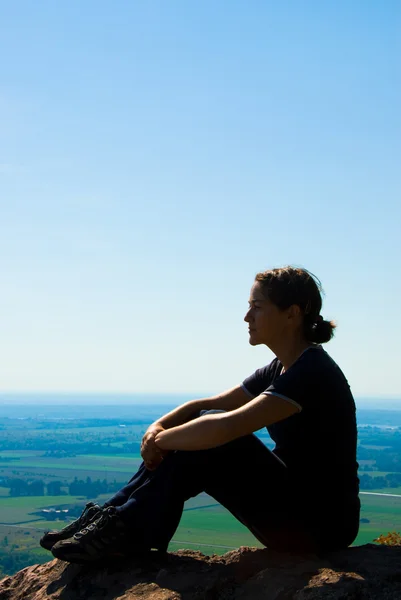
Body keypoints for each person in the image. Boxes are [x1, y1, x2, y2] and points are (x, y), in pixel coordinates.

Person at [40, 266, 360, 564]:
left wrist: (163, 440)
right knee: (196, 425)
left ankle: (127, 529)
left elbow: (225, 427)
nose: (246, 316)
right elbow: (211, 404)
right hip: (296, 512)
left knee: (212, 440)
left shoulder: (311, 373)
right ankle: (111, 517)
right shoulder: (282, 367)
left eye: (257, 306)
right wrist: (158, 428)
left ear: (292, 314)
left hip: (321, 527)